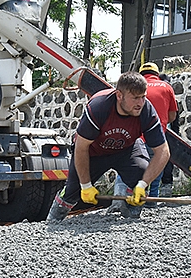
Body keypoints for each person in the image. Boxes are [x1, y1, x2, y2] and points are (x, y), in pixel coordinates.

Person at [46, 71, 171, 222]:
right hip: (93, 152)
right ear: (119, 96)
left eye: (143, 97)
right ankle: (53, 220)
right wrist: (85, 185)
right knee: (73, 191)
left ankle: (131, 215)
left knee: (141, 171)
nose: (140, 103)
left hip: (126, 149)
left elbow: (163, 151)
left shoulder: (146, 111)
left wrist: (143, 184)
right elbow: (81, 147)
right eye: (135, 98)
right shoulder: (99, 107)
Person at [111, 63, 178, 209]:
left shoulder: (133, 88)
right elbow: (172, 115)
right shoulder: (166, 87)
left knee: (126, 168)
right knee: (156, 166)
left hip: (135, 137)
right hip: (156, 137)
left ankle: (119, 201)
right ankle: (151, 200)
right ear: (157, 73)